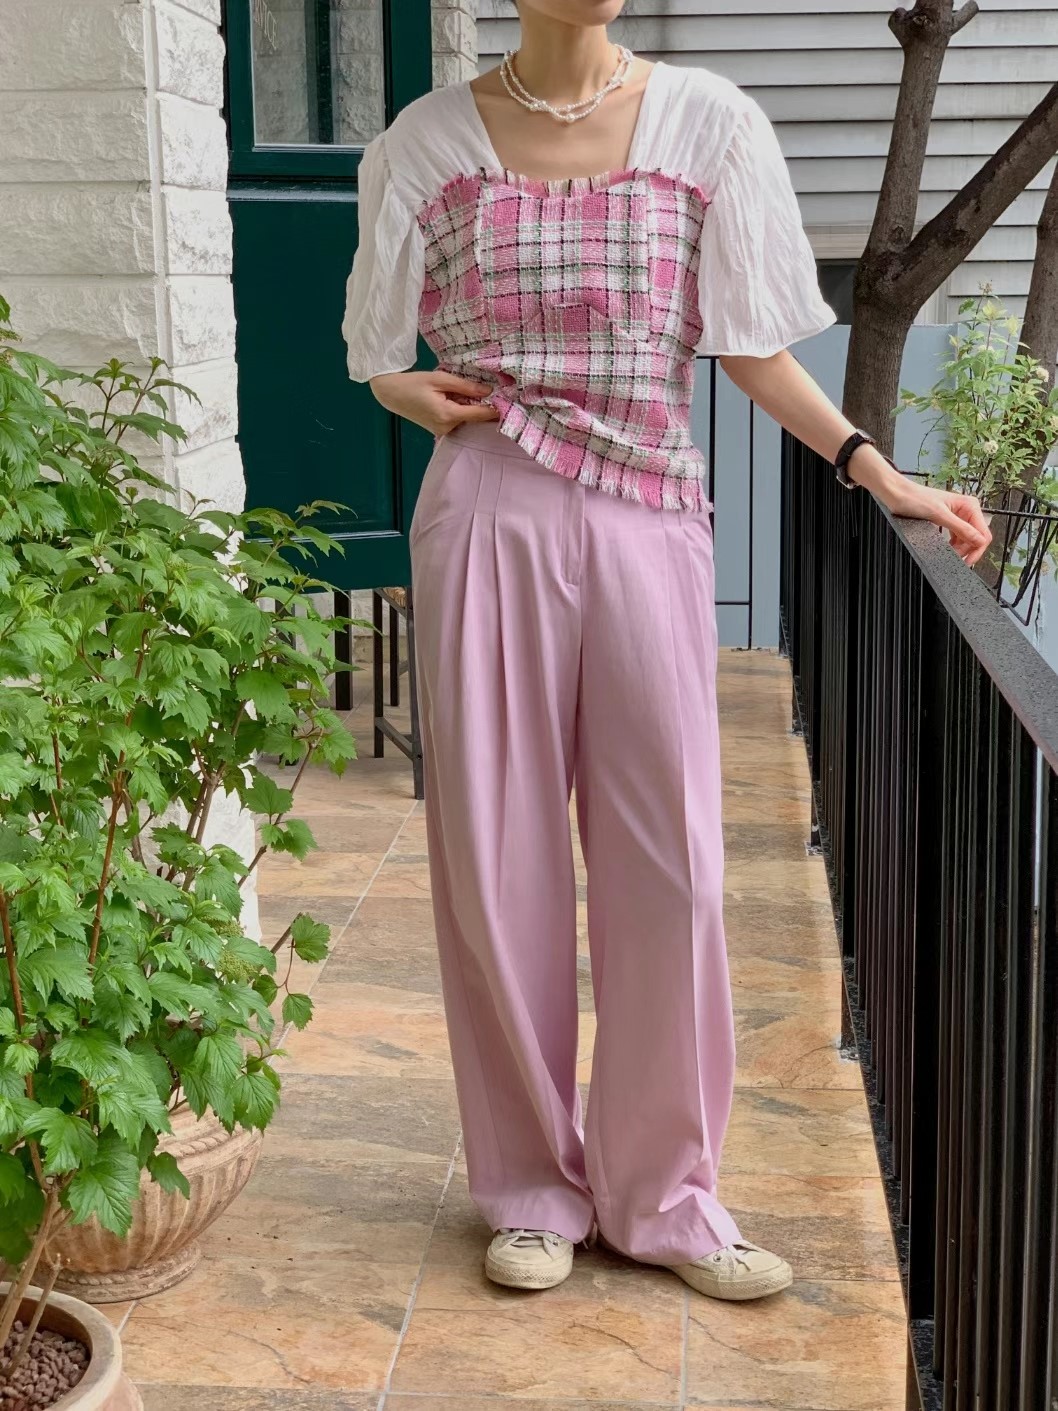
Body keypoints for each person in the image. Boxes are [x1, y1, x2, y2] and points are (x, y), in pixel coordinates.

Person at [341, 1, 991, 1302]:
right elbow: (376, 350)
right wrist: (400, 387)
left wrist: (874, 467)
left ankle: (667, 1196)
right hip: (488, 510)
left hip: (646, 518)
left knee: (674, 864)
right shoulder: (422, 142)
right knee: (494, 858)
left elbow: (749, 344)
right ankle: (530, 1187)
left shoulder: (709, 124)